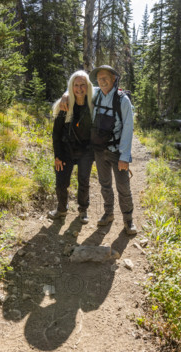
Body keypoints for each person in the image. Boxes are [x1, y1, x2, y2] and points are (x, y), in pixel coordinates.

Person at [60, 65, 137, 235]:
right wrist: (66, 94)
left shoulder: (123, 100)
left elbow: (128, 129)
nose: (102, 81)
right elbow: (77, 86)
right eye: (99, 78)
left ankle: (128, 220)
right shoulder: (95, 93)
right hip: (99, 151)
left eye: (106, 78)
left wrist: (125, 156)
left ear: (114, 79)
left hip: (118, 152)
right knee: (105, 184)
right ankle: (108, 214)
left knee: (123, 187)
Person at [48, 71, 95, 224]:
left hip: (86, 150)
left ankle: (83, 210)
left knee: (84, 180)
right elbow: (56, 133)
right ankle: (61, 209)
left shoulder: (93, 104)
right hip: (66, 149)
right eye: (76, 85)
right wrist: (57, 156)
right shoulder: (65, 105)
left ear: (88, 86)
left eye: (83, 85)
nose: (79, 88)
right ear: (71, 86)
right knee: (61, 181)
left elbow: (103, 90)